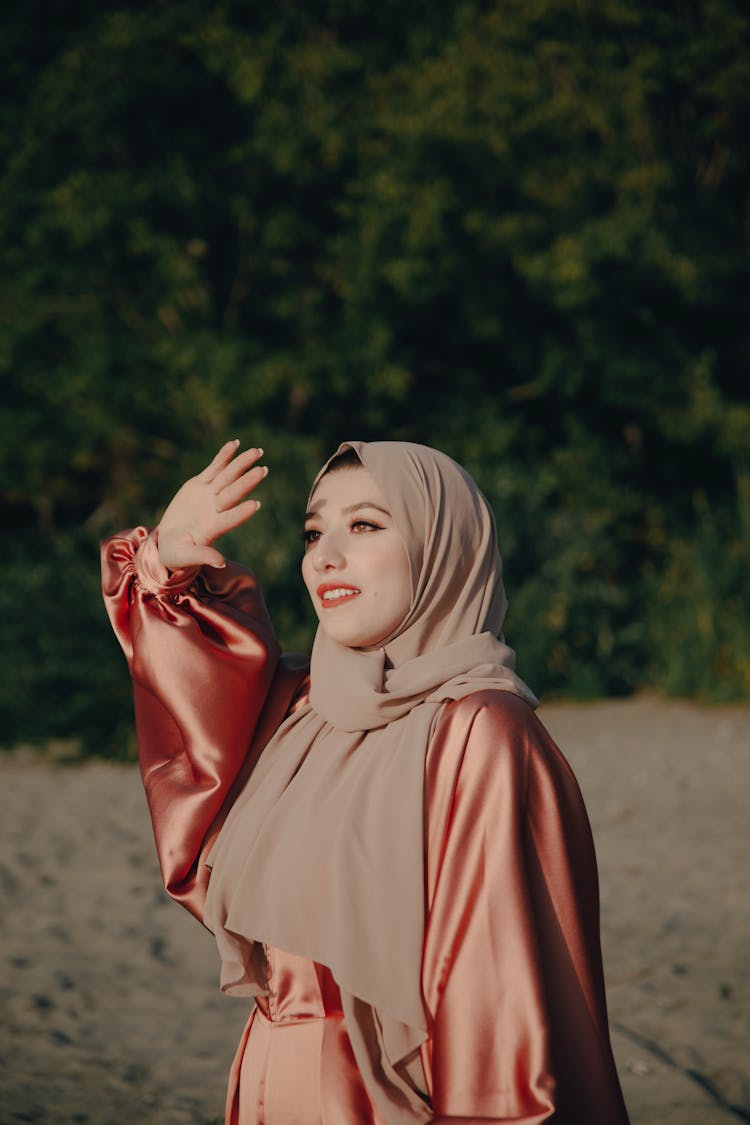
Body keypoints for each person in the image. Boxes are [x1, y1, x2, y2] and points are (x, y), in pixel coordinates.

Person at [101, 438, 630, 1125]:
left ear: (446, 549)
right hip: (265, 1093)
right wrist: (165, 558)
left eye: (367, 525)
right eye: (314, 530)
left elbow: (494, 1014)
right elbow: (196, 716)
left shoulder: (480, 731)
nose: (324, 555)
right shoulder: (302, 711)